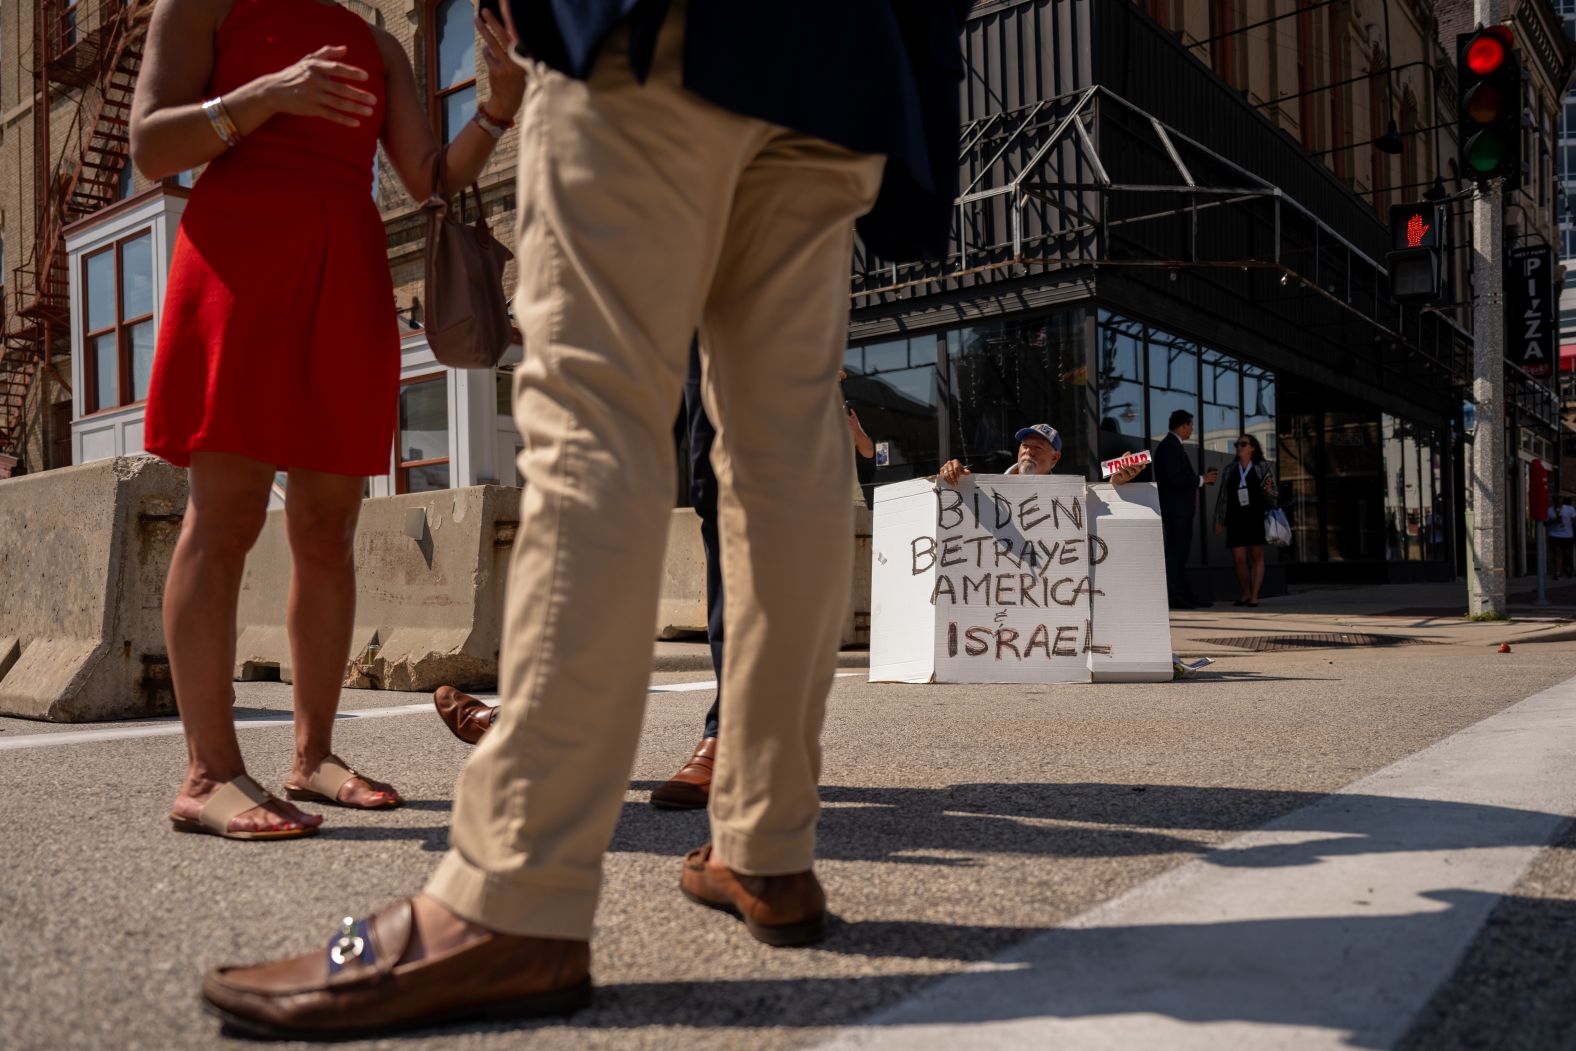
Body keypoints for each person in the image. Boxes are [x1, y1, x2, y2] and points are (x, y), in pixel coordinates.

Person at [199, 1, 968, 1037]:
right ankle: (768, 840)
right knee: (786, 444)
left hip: (648, 30)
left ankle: (512, 889)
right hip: (840, 61)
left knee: (594, 418)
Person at [130, 0, 524, 839]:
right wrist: (267, 94)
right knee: (226, 513)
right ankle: (208, 772)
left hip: (346, 268)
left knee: (326, 524)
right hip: (240, 257)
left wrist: (497, 107)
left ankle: (312, 757)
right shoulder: (199, 8)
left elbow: (430, 181)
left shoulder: (375, 41)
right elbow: (150, 148)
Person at [1153, 410, 1218, 610]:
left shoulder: (1173, 446)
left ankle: (1184, 594)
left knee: (1181, 554)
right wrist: (1201, 479)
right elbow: (1174, 479)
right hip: (1175, 511)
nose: (1192, 429)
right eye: (1190, 425)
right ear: (1183, 425)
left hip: (1181, 510)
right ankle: (1175, 596)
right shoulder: (1169, 447)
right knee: (1175, 554)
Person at [938, 423, 1145, 484]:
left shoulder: (1068, 496)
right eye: (1025, 446)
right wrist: (951, 477)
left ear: (1055, 458)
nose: (1028, 451)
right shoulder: (984, 486)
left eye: (1037, 447)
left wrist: (1117, 485)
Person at [1212, 434, 1278, 607]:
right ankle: (1246, 593)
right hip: (1235, 519)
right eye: (1237, 444)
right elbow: (1222, 497)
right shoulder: (1230, 469)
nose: (1239, 447)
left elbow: (1273, 495)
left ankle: (1255, 595)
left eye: (1243, 444)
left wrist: (1270, 490)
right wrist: (1219, 519)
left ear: (1252, 448)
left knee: (1256, 556)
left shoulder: (1262, 467)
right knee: (1238, 559)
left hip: (1255, 517)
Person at [1550, 496, 1575, 580]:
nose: (1558, 502)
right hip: (1554, 534)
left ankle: (1569, 568)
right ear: (1554, 502)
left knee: (1567, 553)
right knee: (1557, 552)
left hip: (1567, 535)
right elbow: (1545, 523)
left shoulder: (1569, 509)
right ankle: (1558, 572)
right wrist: (1554, 521)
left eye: (1560, 500)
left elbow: (1574, 521)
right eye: (1556, 501)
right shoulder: (1549, 510)